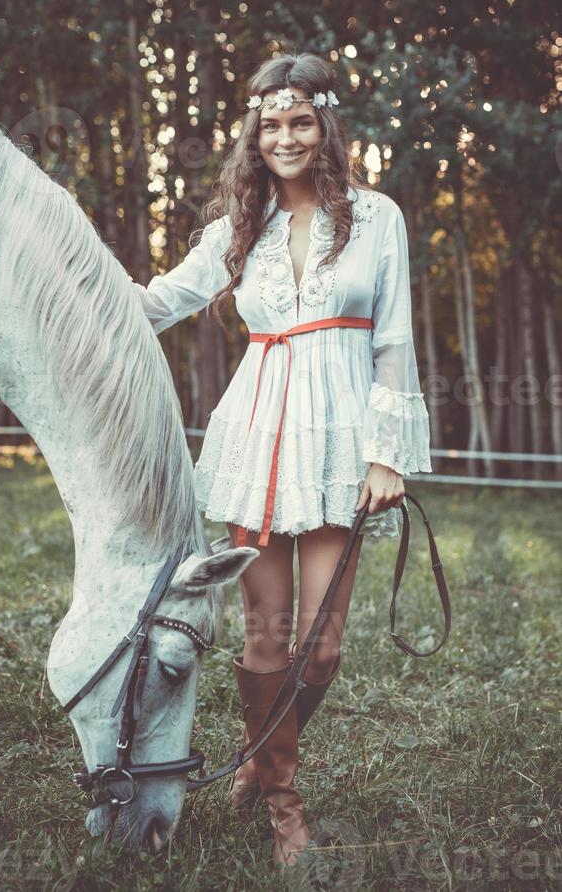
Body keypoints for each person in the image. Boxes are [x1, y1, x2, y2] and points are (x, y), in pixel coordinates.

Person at [127, 53, 433, 868]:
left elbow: (395, 342)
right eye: (271, 124)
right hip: (259, 435)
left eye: (301, 121)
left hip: (340, 446)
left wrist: (387, 455)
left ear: (325, 126)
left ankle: (264, 748)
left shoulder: (377, 218)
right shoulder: (240, 224)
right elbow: (167, 297)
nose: (286, 137)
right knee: (266, 637)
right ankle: (284, 808)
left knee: (322, 645)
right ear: (254, 136)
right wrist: (82, 301)